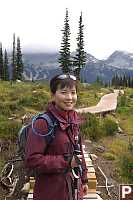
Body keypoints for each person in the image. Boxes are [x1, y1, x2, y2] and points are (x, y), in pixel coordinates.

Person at [25, 74, 88, 200]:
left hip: (74, 190)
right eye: (64, 92)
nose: (70, 97)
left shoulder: (73, 120)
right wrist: (67, 162)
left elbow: (78, 152)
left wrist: (84, 179)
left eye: (73, 92)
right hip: (51, 193)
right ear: (53, 95)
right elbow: (32, 160)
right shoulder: (42, 123)